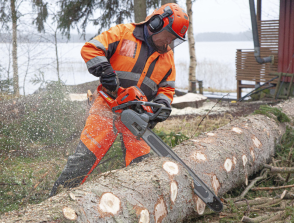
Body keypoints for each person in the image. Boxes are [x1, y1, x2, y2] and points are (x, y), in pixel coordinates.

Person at [50, 3, 189, 196]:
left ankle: (138, 203)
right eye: (168, 35)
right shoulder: (124, 33)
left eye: (173, 38)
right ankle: (58, 198)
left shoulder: (167, 56)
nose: (168, 41)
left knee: (141, 164)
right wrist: (106, 71)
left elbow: (166, 88)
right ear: (156, 23)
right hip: (107, 105)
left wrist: (161, 106)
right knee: (84, 158)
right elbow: (90, 49)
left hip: (137, 115)